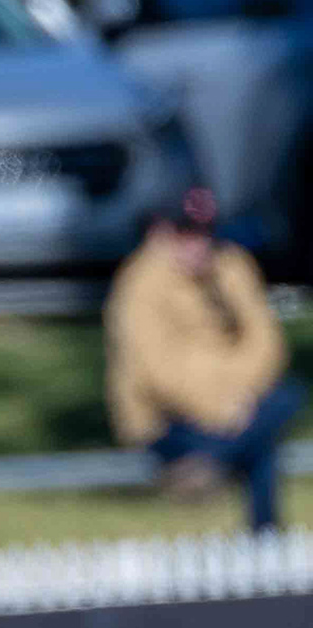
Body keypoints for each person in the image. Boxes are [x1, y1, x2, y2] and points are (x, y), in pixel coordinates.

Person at [107, 187, 301, 532]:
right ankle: (265, 532)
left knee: (288, 397)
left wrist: (237, 395)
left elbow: (267, 343)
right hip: (170, 418)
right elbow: (157, 374)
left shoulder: (232, 265)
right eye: (186, 232)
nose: (198, 243)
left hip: (239, 404)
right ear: (160, 232)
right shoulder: (139, 282)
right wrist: (220, 408)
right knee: (260, 435)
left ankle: (211, 462)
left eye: (206, 231)